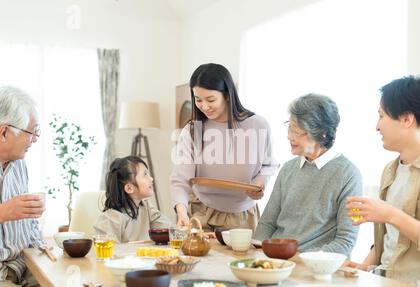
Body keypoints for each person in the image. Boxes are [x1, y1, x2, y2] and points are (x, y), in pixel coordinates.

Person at [346, 76, 420, 287]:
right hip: (384, 284)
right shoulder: (390, 170)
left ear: (406, 119)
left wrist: (391, 214)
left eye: (381, 116)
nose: (377, 126)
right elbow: (391, 239)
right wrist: (364, 267)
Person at [170, 63, 278, 232]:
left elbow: (268, 164)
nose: (204, 106)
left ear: (227, 94)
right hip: (201, 212)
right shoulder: (192, 130)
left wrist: (260, 183)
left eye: (210, 99)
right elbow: (180, 179)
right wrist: (182, 213)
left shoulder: (258, 124)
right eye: (198, 100)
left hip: (243, 216)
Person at [255, 93, 362, 256]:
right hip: (276, 261)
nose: (289, 136)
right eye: (289, 127)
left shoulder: (348, 174)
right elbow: (266, 224)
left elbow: (345, 241)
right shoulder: (288, 168)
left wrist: (299, 259)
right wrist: (259, 257)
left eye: (297, 131)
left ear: (323, 133)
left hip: (315, 267)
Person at [0, 86, 47, 287]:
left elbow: (28, 225)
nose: (35, 139)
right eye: (32, 132)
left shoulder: (19, 165)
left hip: (25, 266)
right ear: (3, 132)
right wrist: (3, 212)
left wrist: (43, 249)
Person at [94, 156, 173, 243]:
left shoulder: (147, 208)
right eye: (145, 175)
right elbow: (109, 251)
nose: (151, 178)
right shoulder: (111, 218)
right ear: (129, 188)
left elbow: (170, 230)